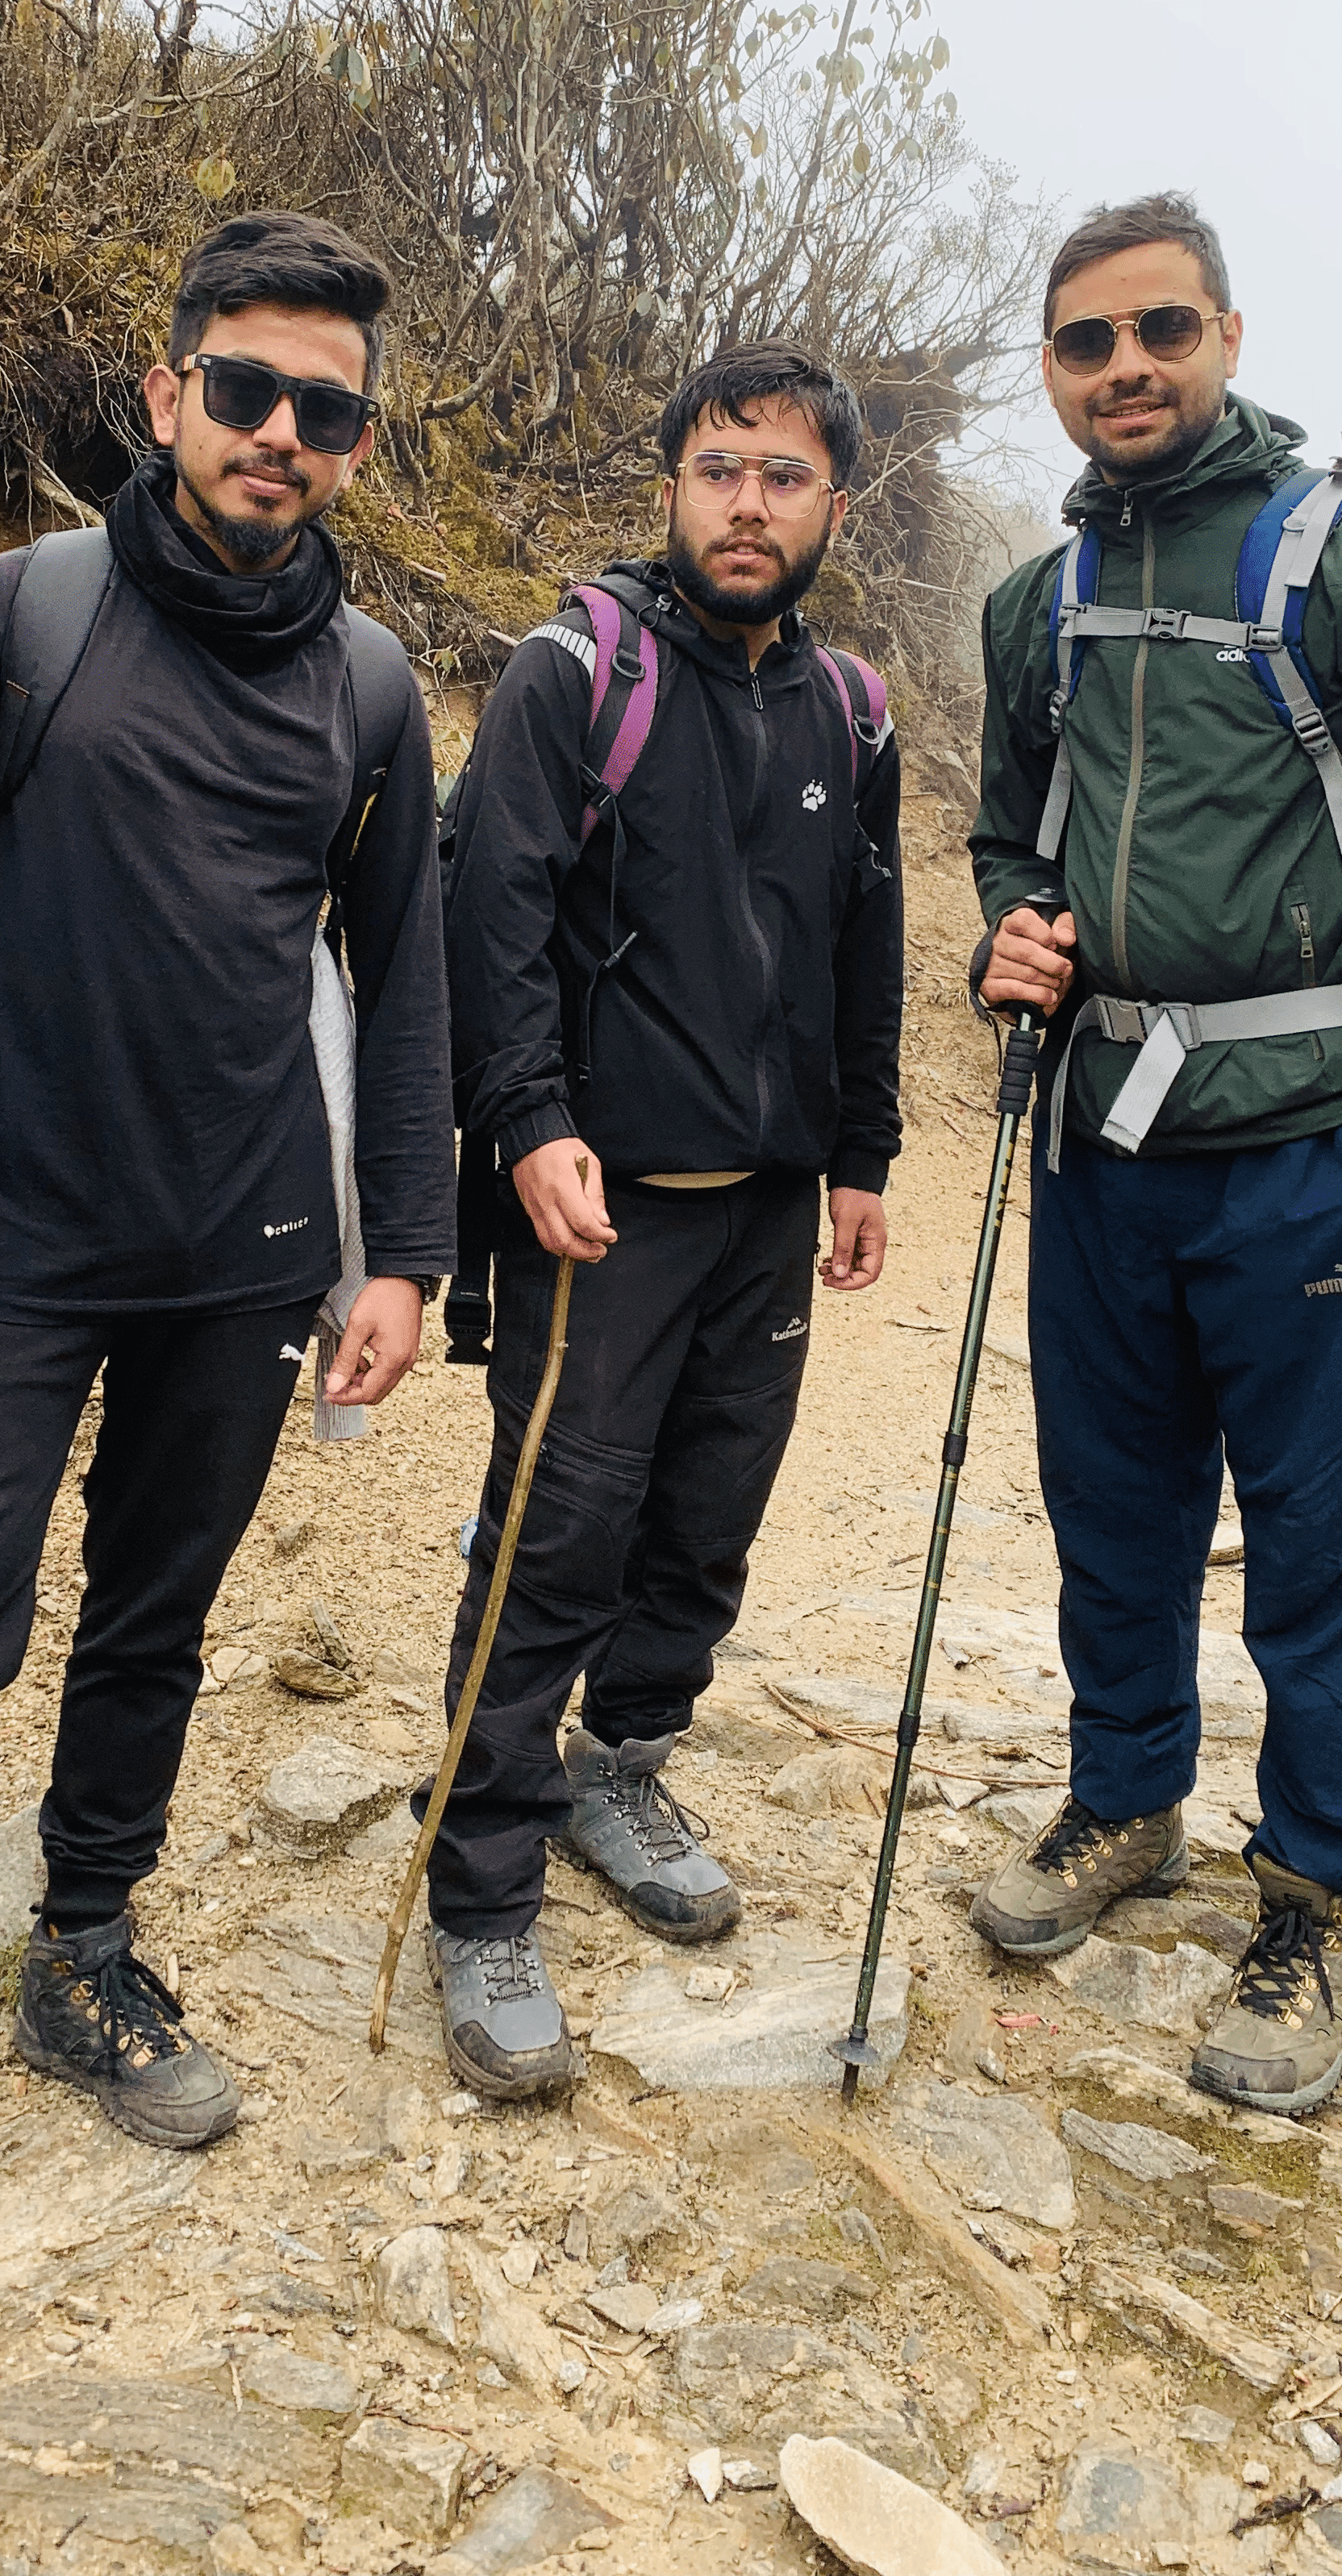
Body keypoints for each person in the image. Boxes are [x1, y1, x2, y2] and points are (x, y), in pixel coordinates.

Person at [0, 210, 455, 2262]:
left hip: (241, 1250)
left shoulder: (375, 696)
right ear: (168, 393)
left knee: (152, 1619)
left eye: (324, 410)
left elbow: (409, 992)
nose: (278, 433)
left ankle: (82, 1953)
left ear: (359, 447)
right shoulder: (17, 620)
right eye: (245, 391)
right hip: (3, 1229)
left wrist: (405, 1257)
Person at [969, 190, 1342, 2115]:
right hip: (1106, 1142)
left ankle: (1324, 1900)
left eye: (1159, 333)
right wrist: (1013, 931)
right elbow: (1012, 837)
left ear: (1226, 335)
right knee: (1113, 1511)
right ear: (1050, 371)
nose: (1126, 370)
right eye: (1086, 344)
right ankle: (1128, 1804)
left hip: (1309, 1145)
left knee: (1315, 1543)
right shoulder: (1031, 603)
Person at [419, 342, 904, 2100]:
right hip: (596, 1207)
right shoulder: (576, 673)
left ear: (834, 502)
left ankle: (622, 1768)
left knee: (706, 1515)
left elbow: (870, 943)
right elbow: (497, 917)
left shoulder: (850, 711)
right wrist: (530, 1124)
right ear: (675, 487)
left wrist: (866, 1152)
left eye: (781, 475)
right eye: (718, 470)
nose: (748, 504)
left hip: (767, 1204)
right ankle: (480, 1882)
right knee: (555, 1533)